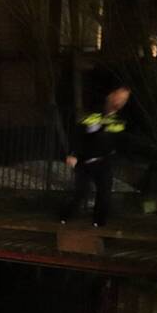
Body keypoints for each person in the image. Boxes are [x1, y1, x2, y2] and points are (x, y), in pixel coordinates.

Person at [60, 86, 132, 227]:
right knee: (81, 192)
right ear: (111, 96)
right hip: (84, 161)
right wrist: (73, 154)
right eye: (119, 97)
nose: (120, 101)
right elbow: (79, 135)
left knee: (104, 193)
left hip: (103, 161)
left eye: (124, 99)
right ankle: (64, 216)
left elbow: (117, 138)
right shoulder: (94, 115)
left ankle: (99, 223)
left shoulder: (119, 121)